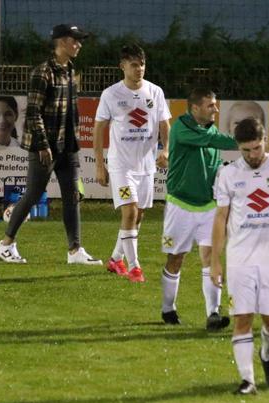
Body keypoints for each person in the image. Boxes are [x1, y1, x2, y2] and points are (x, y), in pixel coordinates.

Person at [211, 117, 269, 395]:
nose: (252, 155)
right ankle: (247, 381)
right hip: (239, 259)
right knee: (242, 318)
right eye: (246, 150)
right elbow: (220, 218)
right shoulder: (228, 174)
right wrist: (215, 261)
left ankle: (267, 354)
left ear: (265, 141)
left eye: (256, 148)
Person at [0, 24, 101, 265]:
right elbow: (33, 112)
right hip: (44, 147)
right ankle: (6, 244)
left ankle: (75, 251)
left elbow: (70, 110)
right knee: (33, 195)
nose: (79, 45)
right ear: (62, 42)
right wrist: (43, 145)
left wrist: (73, 143)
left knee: (72, 196)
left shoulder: (71, 70)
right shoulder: (43, 73)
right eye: (75, 40)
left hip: (67, 146)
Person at [159, 88, 238, 329]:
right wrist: (245, 140)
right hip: (180, 205)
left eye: (215, 104)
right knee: (175, 259)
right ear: (195, 108)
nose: (216, 109)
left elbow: (214, 144)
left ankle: (213, 313)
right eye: (210, 105)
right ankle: (168, 308)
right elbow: (214, 141)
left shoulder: (209, 128)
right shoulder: (181, 128)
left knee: (210, 257)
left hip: (209, 206)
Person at [94, 44, 171, 283]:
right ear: (123, 66)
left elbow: (164, 124)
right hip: (121, 166)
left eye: (142, 64)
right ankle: (134, 267)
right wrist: (100, 164)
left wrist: (166, 149)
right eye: (134, 65)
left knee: (138, 216)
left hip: (146, 166)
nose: (139, 69)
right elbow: (98, 129)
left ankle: (116, 259)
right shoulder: (111, 94)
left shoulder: (155, 92)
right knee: (130, 211)